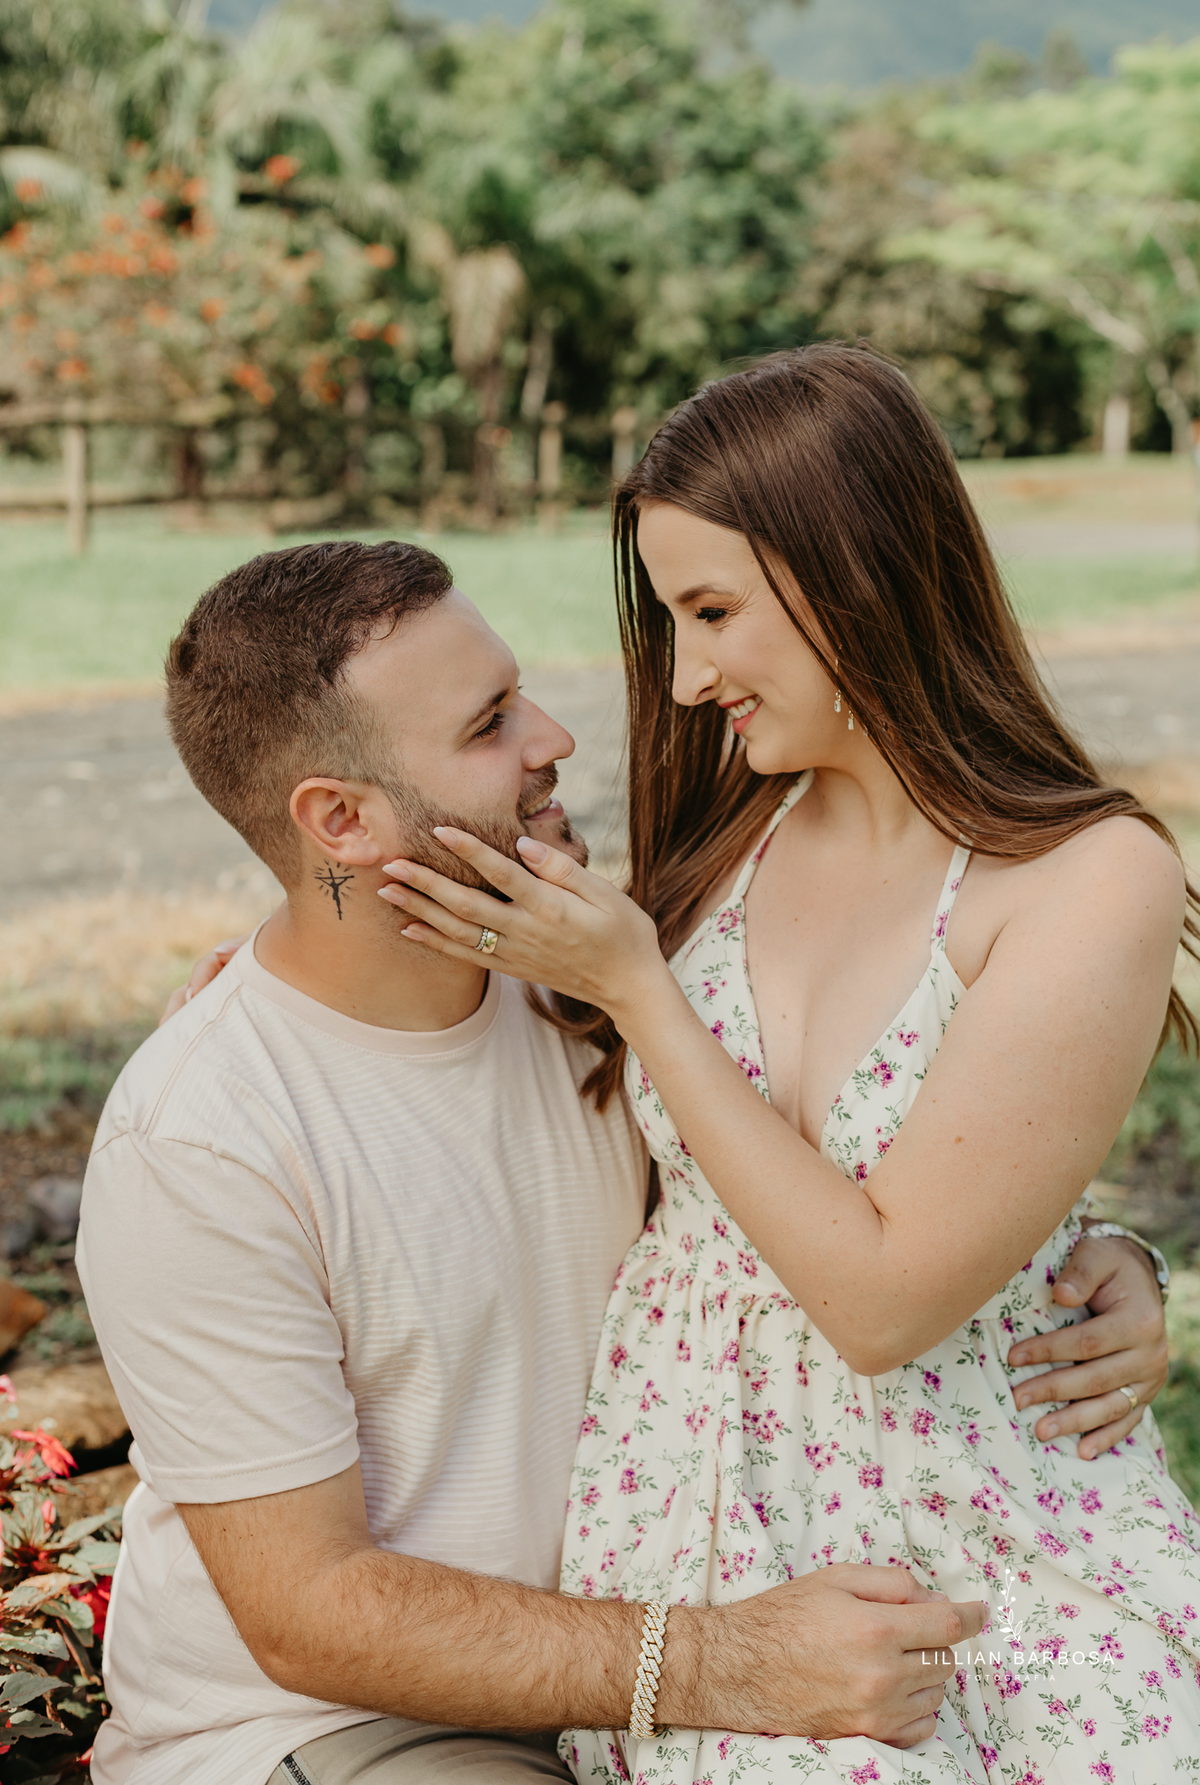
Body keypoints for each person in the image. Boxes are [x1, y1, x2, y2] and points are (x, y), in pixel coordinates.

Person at [371, 346, 1199, 1784]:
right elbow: (518, 1029)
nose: (687, 679)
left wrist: (1103, 1257)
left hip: (992, 1531)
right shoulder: (726, 837)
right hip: (707, 1528)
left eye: (713, 613)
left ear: (854, 574)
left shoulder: (1085, 877)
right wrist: (260, 1004)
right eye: (671, 620)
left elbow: (884, 1303)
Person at [77, 537, 1001, 1785]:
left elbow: (865, 1172)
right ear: (341, 819)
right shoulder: (203, 1142)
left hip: (636, 1671)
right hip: (339, 1727)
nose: (555, 738)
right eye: (490, 724)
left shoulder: (598, 976)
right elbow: (311, 1614)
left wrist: (1099, 1262)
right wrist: (730, 1663)